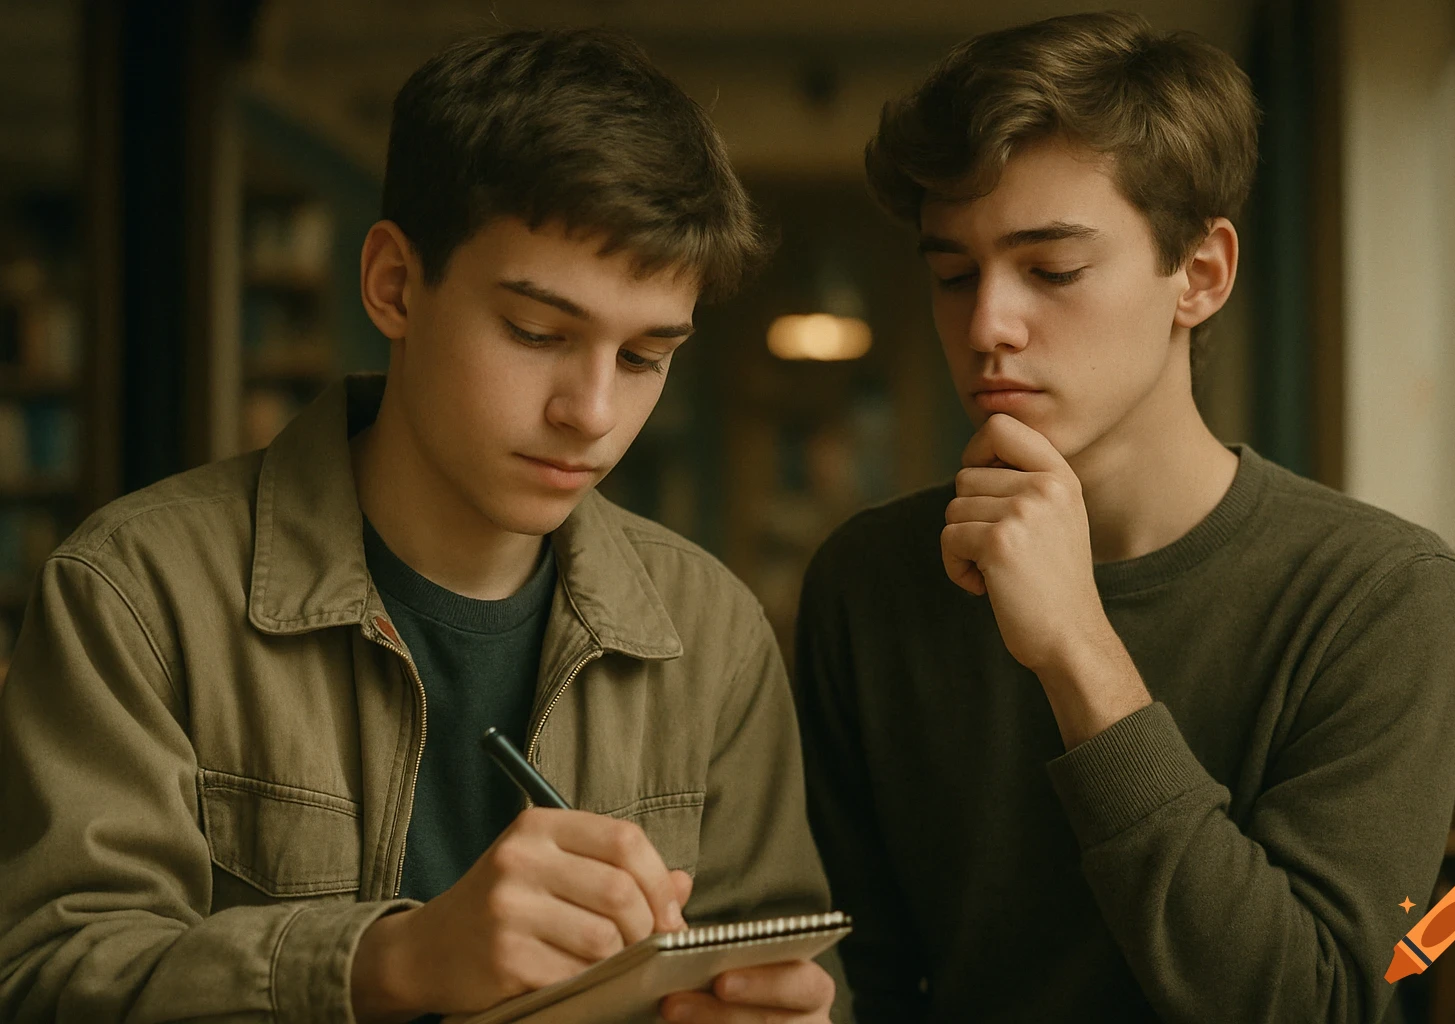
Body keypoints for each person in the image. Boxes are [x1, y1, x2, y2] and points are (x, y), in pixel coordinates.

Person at [0, 29, 839, 1024]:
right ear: (395, 284)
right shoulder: (138, 591)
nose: (593, 412)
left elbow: (789, 965)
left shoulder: (713, 629)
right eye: (538, 333)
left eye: (645, 357)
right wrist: (390, 959)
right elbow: (46, 980)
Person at [793, 12, 1455, 1024]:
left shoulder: (1381, 592)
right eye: (952, 273)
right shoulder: (872, 577)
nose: (987, 325)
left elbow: (1315, 1003)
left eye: (1052, 269)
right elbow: (864, 979)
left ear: (1201, 275)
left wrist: (1079, 649)